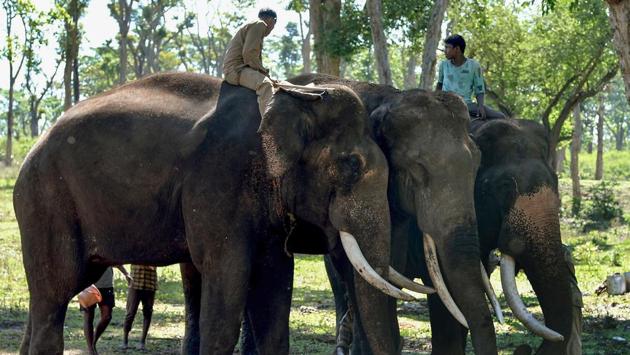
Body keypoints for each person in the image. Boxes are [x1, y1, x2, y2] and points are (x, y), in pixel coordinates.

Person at [222, 8, 278, 118]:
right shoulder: (260, 24)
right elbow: (249, 55)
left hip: (237, 68)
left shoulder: (253, 25)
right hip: (236, 69)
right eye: (274, 25)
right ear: (272, 20)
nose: (272, 29)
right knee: (266, 85)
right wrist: (265, 74)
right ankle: (269, 125)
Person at [436, 34, 505, 120]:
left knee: (501, 117)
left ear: (457, 49)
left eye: (447, 47)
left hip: (466, 105)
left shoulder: (474, 65)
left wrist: (480, 106)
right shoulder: (443, 65)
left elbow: (479, 89)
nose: (444, 50)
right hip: (446, 104)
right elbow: (439, 84)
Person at [82, 266, 131, 355]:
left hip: (106, 284)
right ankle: (91, 350)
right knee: (88, 316)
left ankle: (93, 342)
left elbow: (115, 259)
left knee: (107, 316)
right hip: (88, 285)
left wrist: (126, 273)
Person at [122, 265, 158, 350]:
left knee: (148, 312)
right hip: (135, 283)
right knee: (130, 313)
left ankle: (142, 342)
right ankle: (125, 341)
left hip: (150, 284)